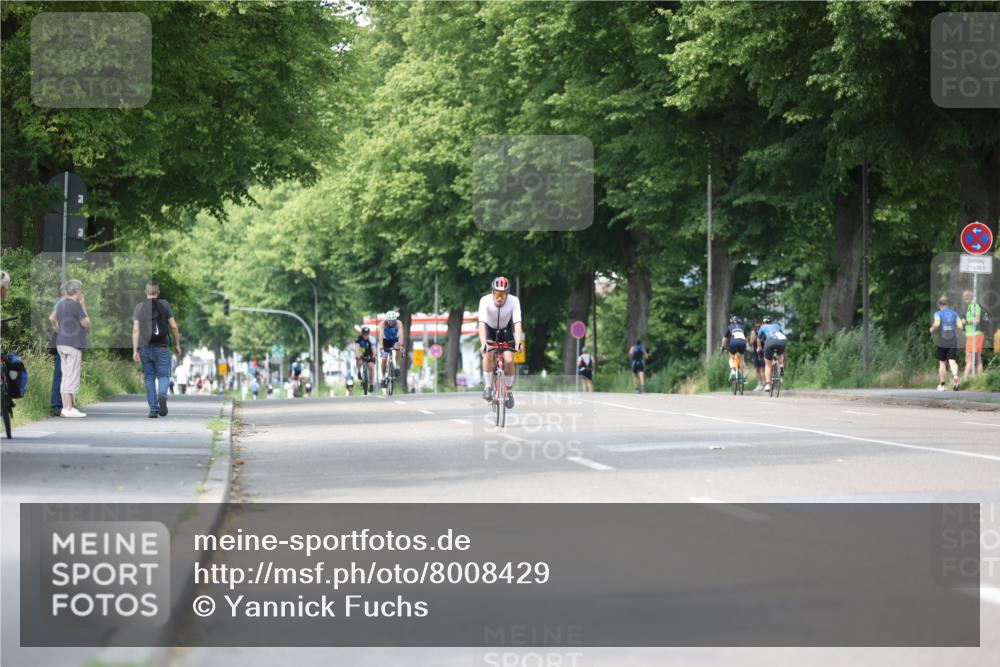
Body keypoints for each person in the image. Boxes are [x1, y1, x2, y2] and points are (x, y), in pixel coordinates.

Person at [132, 281, 182, 418]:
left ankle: (154, 409)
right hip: (162, 347)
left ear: (145, 292)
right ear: (158, 292)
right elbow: (173, 326)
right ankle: (162, 395)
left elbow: (136, 329)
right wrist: (177, 344)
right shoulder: (164, 305)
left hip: (145, 348)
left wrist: (135, 350)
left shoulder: (139, 307)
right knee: (163, 376)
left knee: (149, 378)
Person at [478, 276, 523, 408]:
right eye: (497, 294)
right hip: (490, 330)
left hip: (506, 330)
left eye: (503, 295)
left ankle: (508, 391)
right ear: (493, 292)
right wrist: (483, 343)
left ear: (507, 294)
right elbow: (481, 324)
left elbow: (518, 323)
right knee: (488, 353)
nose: (499, 298)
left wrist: (518, 342)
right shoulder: (484, 301)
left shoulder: (514, 301)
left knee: (509, 360)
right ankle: (487, 386)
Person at [53, 279, 90, 417]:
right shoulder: (76, 305)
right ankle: (69, 408)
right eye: (81, 290)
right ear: (77, 291)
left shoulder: (61, 304)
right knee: (72, 376)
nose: (82, 292)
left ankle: (65, 407)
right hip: (73, 344)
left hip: (61, 342)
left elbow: (52, 317)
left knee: (65, 375)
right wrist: (82, 304)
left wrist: (58, 327)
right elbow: (86, 322)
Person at [930, 295, 961, 392]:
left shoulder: (938, 313)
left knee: (942, 362)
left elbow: (937, 324)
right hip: (952, 339)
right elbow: (960, 326)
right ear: (948, 304)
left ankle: (942, 385)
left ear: (939, 304)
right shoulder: (955, 314)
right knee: (952, 360)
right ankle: (955, 376)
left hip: (942, 339)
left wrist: (931, 329)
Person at [47, 283, 68, 416]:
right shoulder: (62, 302)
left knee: (63, 374)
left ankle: (61, 404)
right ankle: (56, 405)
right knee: (60, 374)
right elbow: (52, 317)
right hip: (62, 342)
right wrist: (59, 329)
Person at [758, 316, 787, 393]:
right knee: (780, 353)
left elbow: (759, 339)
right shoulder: (777, 325)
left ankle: (768, 384)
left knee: (768, 365)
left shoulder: (762, 327)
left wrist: (759, 347)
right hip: (781, 340)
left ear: (763, 322)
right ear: (771, 321)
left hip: (770, 341)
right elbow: (782, 334)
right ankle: (781, 366)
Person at [960, 289, 984, 380]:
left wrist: (966, 321)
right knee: (975, 358)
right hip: (971, 335)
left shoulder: (974, 306)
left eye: (967, 295)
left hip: (975, 335)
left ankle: (964, 380)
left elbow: (977, 320)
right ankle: (979, 380)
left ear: (971, 296)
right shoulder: (970, 306)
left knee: (970, 358)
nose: (965, 297)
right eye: (964, 296)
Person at [379, 310, 404, 388]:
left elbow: (401, 334)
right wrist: (381, 346)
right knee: (384, 359)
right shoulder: (383, 323)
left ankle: (397, 367)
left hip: (395, 340)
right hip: (385, 341)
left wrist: (401, 344)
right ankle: (383, 377)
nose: (391, 322)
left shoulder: (399, 323)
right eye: (389, 320)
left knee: (398, 347)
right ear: (387, 320)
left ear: (395, 320)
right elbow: (381, 335)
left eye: (392, 321)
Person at [720, 316, 748, 384]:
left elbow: (724, 339)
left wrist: (723, 347)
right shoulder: (742, 327)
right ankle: (744, 377)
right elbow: (746, 338)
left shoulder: (730, 327)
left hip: (733, 342)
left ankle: (733, 370)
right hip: (742, 342)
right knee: (742, 360)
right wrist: (744, 346)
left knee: (731, 358)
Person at [355, 327, 376, 391]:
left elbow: (373, 348)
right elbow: (357, 347)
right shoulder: (359, 338)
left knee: (371, 366)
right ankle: (359, 371)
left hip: (370, 352)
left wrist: (373, 355)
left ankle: (371, 383)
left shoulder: (372, 339)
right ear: (362, 334)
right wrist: (358, 354)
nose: (366, 336)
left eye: (367, 334)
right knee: (358, 358)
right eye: (364, 334)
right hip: (362, 350)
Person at [747, 318, 766, 391]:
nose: (758, 327)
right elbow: (751, 342)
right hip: (756, 352)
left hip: (764, 351)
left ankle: (765, 383)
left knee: (763, 368)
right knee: (757, 369)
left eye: (759, 326)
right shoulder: (753, 332)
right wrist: (754, 337)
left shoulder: (764, 331)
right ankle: (759, 384)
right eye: (756, 326)